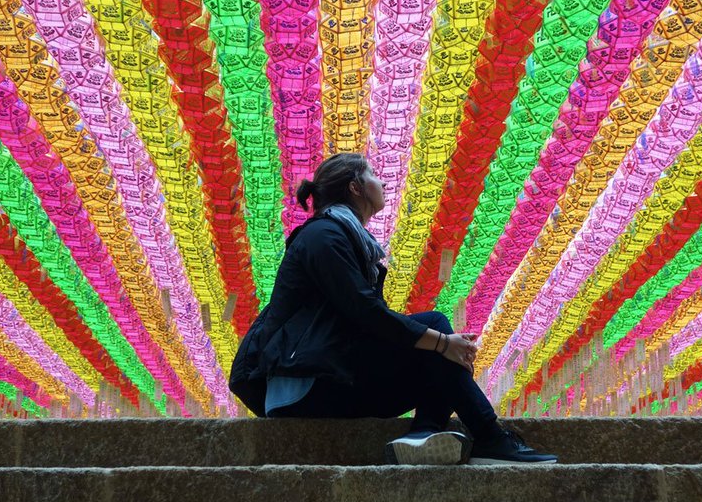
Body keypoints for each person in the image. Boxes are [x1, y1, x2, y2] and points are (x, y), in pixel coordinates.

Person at [230, 152, 556, 465]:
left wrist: (440, 346)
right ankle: (486, 435)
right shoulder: (323, 236)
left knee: (435, 345)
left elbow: (368, 326)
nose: (381, 183)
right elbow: (365, 312)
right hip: (303, 386)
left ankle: (425, 434)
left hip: (333, 375)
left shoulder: (348, 239)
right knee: (435, 329)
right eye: (372, 175)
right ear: (355, 188)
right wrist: (442, 343)